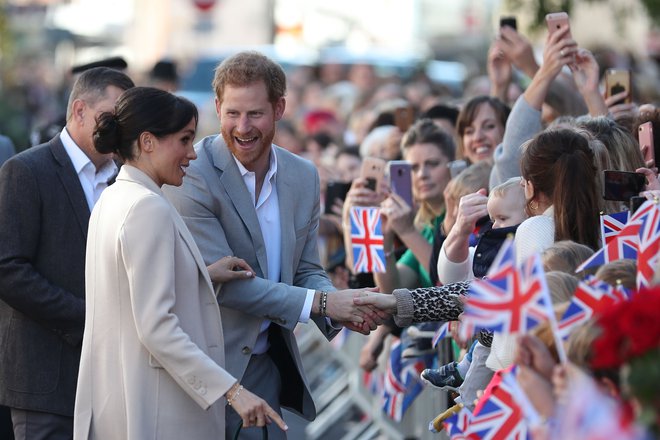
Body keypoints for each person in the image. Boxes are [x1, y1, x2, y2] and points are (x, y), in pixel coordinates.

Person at [162, 51, 386, 440]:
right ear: (216, 107)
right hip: (199, 371)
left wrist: (338, 304)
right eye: (232, 113)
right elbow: (228, 284)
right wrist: (323, 304)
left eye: (255, 114)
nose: (242, 127)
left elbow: (305, 269)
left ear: (280, 108)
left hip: (264, 369)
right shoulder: (191, 174)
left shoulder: (301, 175)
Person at [74, 86, 286, 439]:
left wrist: (199, 273)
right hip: (159, 408)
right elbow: (156, 326)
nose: (191, 153)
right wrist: (233, 391)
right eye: (185, 140)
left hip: (126, 400)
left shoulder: (114, 196)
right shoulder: (146, 206)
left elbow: (128, 293)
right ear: (147, 142)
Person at [0, 67, 135, 439]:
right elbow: (9, 270)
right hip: (45, 379)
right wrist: (90, 318)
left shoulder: (125, 177)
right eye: (109, 118)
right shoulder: (26, 170)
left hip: (113, 381)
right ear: (79, 111)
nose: (118, 130)